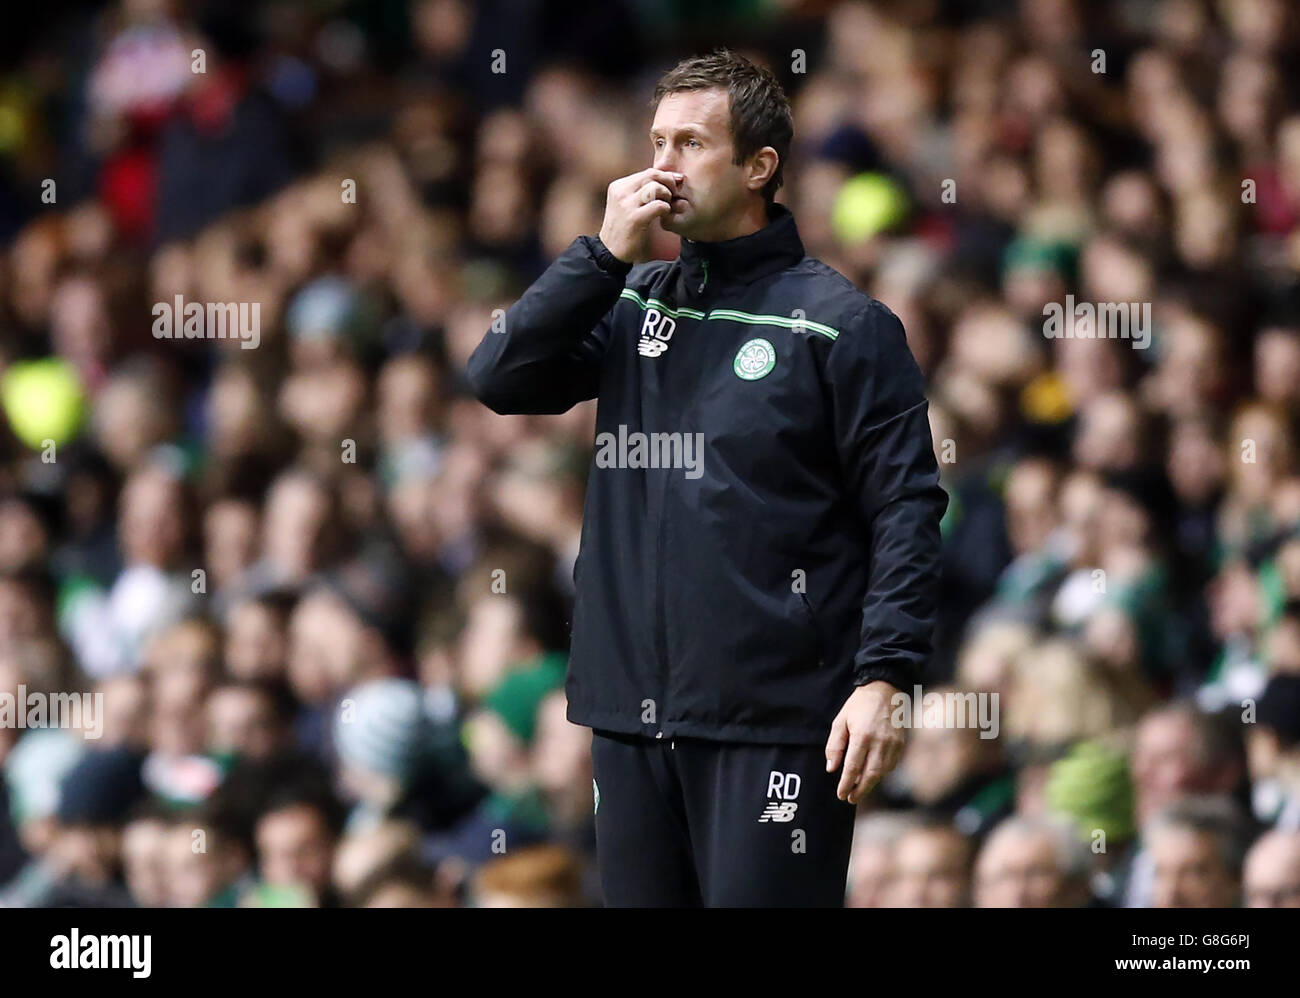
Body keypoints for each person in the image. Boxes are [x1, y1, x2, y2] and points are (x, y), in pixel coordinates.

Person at [467, 49, 947, 906]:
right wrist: (598, 257)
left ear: (760, 166)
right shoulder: (631, 300)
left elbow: (907, 508)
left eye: (690, 143)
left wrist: (885, 678)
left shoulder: (843, 325)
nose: (663, 165)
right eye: (656, 142)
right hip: (627, 714)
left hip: (774, 720)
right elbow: (499, 376)